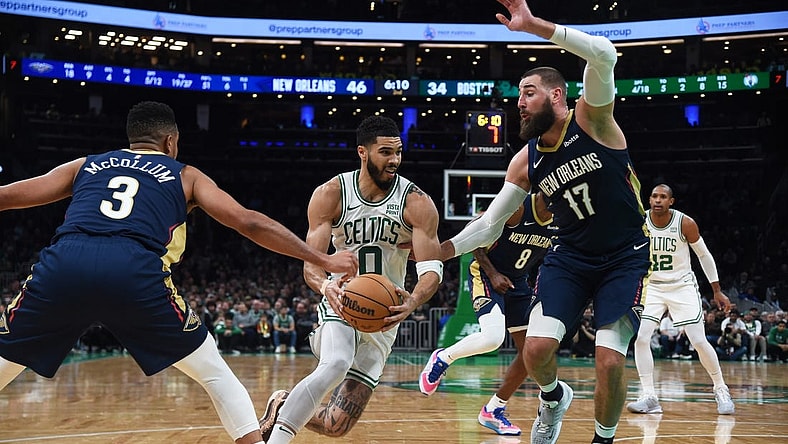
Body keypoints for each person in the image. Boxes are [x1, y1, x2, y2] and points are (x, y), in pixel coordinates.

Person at [0, 101, 358, 444]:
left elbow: (7, 197)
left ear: (131, 138)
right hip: (133, 270)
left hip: (64, 266)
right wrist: (324, 260)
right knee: (212, 371)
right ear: (171, 141)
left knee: (5, 359)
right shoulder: (185, 174)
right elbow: (248, 221)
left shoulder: (86, 165)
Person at [438, 2, 652, 442]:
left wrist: (537, 27)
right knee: (535, 351)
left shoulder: (592, 120)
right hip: (570, 258)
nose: (519, 103)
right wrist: (439, 251)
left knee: (609, 359)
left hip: (625, 258)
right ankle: (554, 401)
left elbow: (606, 54)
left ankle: (603, 439)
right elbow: (489, 225)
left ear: (556, 95)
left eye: (528, 92)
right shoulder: (525, 161)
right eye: (519, 95)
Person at [260, 115, 443, 443]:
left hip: (385, 316)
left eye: (398, 153)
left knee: (336, 425)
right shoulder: (332, 194)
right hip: (344, 299)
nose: (395, 160)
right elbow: (311, 264)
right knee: (336, 362)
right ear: (363, 152)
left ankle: (284, 403)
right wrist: (326, 285)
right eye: (386, 152)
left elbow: (432, 268)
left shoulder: (417, 202)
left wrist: (414, 299)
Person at [419, 193, 553, 437]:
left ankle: (493, 410)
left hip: (519, 283)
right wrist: (492, 274)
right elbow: (477, 230)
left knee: (531, 354)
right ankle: (443, 357)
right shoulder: (520, 208)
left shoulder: (561, 220)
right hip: (486, 274)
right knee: (493, 338)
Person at [628, 184, 734, 415]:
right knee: (642, 337)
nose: (658, 200)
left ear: (671, 201)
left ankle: (721, 388)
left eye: (663, 197)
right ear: (649, 199)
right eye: (654, 196)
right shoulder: (639, 221)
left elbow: (704, 255)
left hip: (681, 285)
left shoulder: (685, 223)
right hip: (652, 286)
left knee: (698, 340)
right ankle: (649, 396)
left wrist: (716, 290)